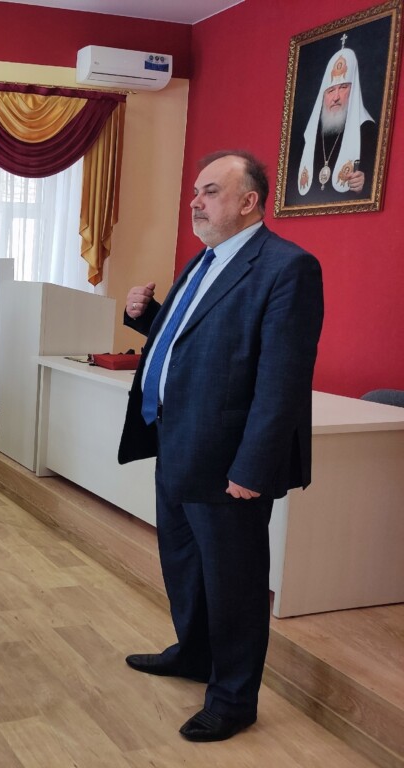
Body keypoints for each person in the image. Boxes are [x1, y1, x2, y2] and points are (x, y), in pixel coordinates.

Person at [118, 151, 324, 742]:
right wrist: (148, 318)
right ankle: (194, 654)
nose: (196, 202)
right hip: (177, 443)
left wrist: (253, 467)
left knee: (234, 584)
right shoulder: (204, 259)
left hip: (228, 462)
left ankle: (233, 699)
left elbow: (282, 381)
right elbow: (197, 338)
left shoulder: (288, 268)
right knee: (184, 564)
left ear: (249, 201)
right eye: (195, 192)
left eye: (210, 191)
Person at [291, 35, 376, 204]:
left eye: (343, 87)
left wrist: (364, 185)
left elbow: (373, 188)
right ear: (323, 96)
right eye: (330, 91)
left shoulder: (368, 130)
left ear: (353, 91)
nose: (336, 97)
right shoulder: (310, 136)